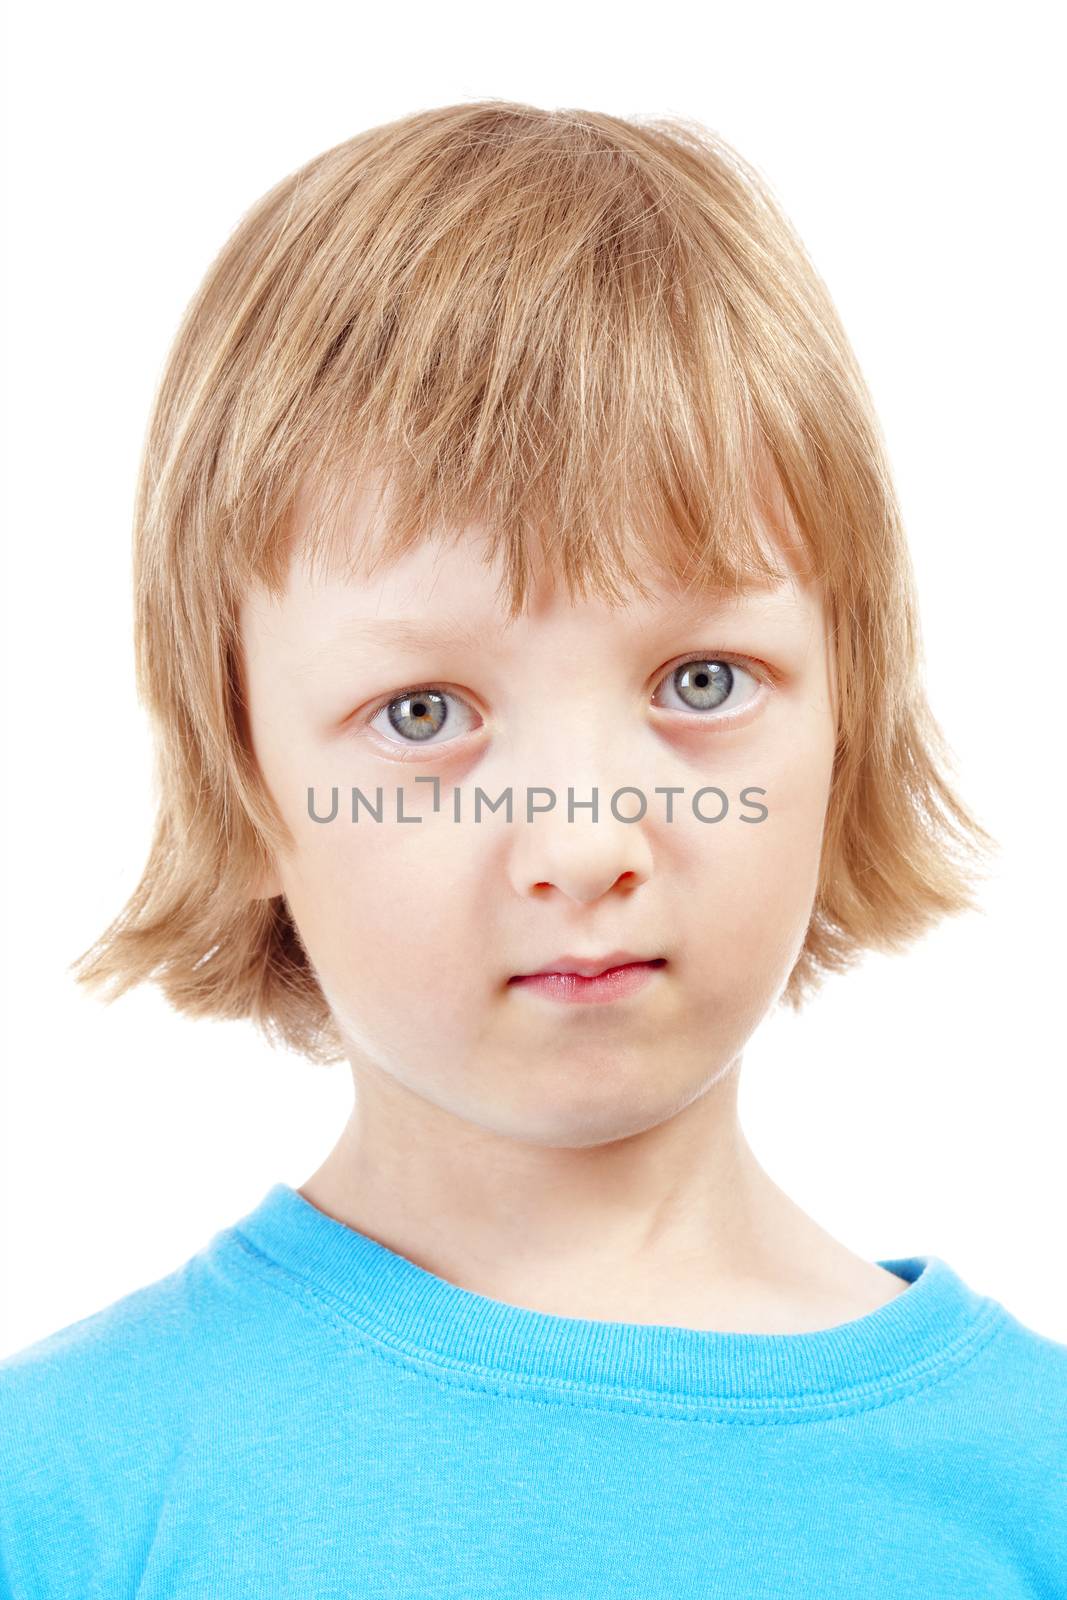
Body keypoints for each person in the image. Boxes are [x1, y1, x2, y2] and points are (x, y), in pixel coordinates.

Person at [1, 99, 1063, 1597]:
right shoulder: (63, 1498)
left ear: (851, 722)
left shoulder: (1035, 1483)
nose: (582, 841)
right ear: (241, 780)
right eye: (424, 710)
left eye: (700, 684)